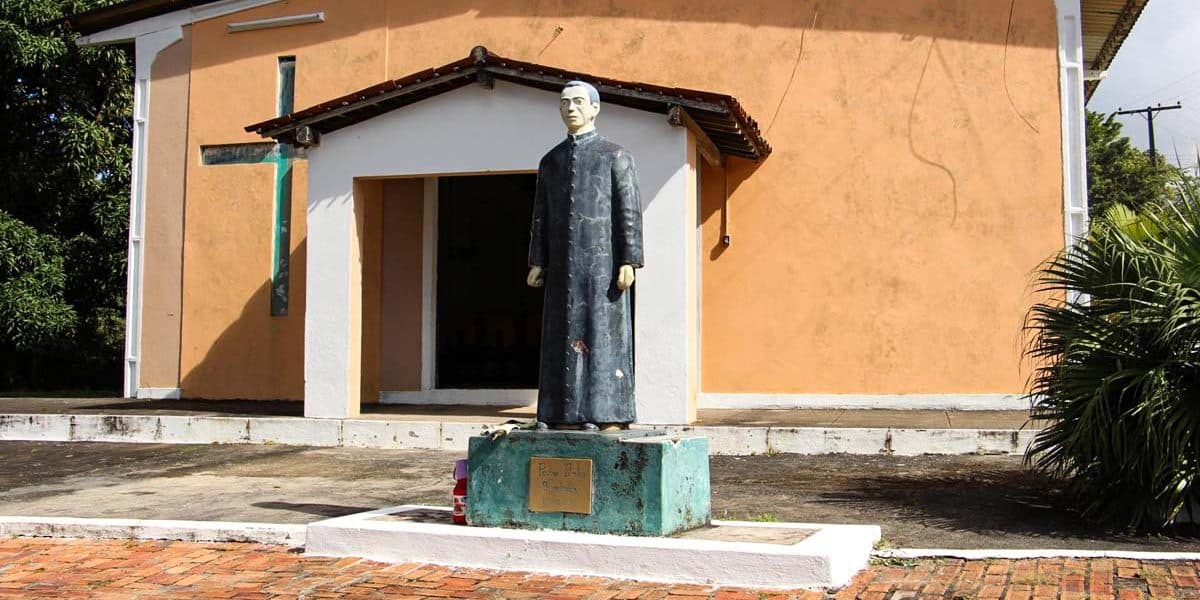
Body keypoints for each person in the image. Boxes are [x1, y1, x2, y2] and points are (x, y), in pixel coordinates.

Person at [526, 81, 644, 432]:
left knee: (603, 335)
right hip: (562, 268)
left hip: (602, 268)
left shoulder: (615, 155)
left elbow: (629, 211)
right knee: (560, 335)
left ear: (595, 108)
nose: (571, 108)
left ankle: (607, 413)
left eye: (578, 102)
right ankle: (558, 413)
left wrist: (629, 259)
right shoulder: (551, 161)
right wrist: (538, 260)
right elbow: (541, 214)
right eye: (565, 103)